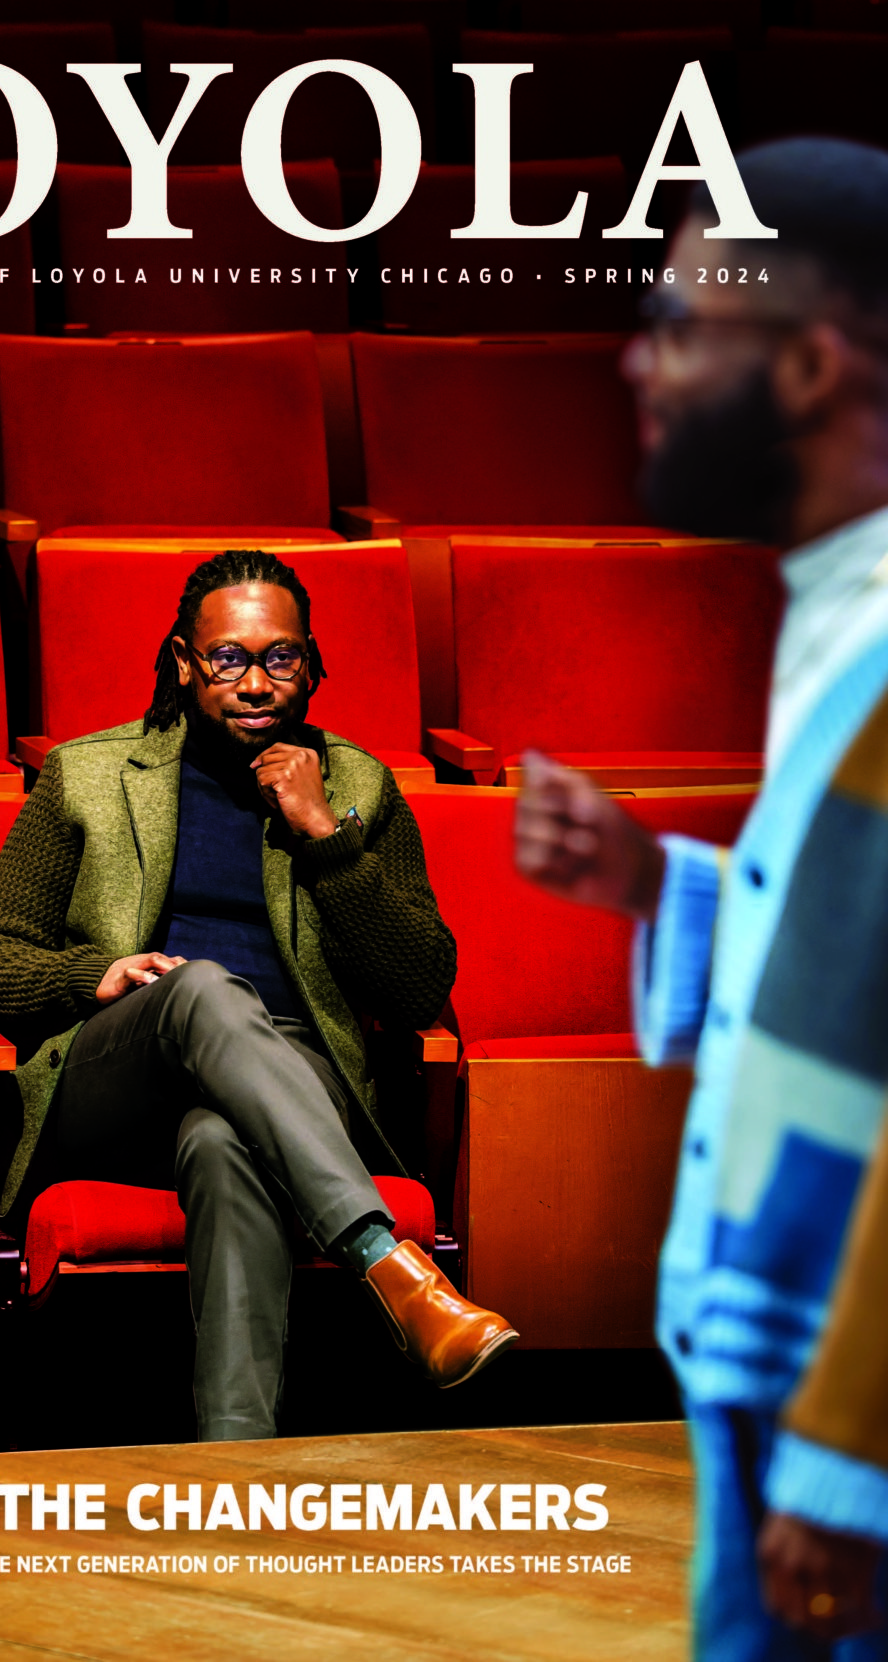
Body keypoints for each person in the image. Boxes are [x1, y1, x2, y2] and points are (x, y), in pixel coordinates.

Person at [514, 136, 888, 1659]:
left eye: (679, 322)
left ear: (807, 363)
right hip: (785, 1370)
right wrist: (654, 882)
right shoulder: (834, 615)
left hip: (848, 1400)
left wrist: (851, 1444)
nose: (637, 359)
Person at [0, 547, 518, 1441]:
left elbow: (418, 986)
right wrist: (93, 975)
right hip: (120, 1073)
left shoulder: (360, 786)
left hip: (292, 1080)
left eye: (280, 658)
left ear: (311, 665)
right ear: (184, 662)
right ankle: (389, 1265)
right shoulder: (89, 778)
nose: (255, 683)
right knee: (205, 990)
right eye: (228, 658)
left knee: (223, 1143)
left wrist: (325, 835)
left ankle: (237, 1465)